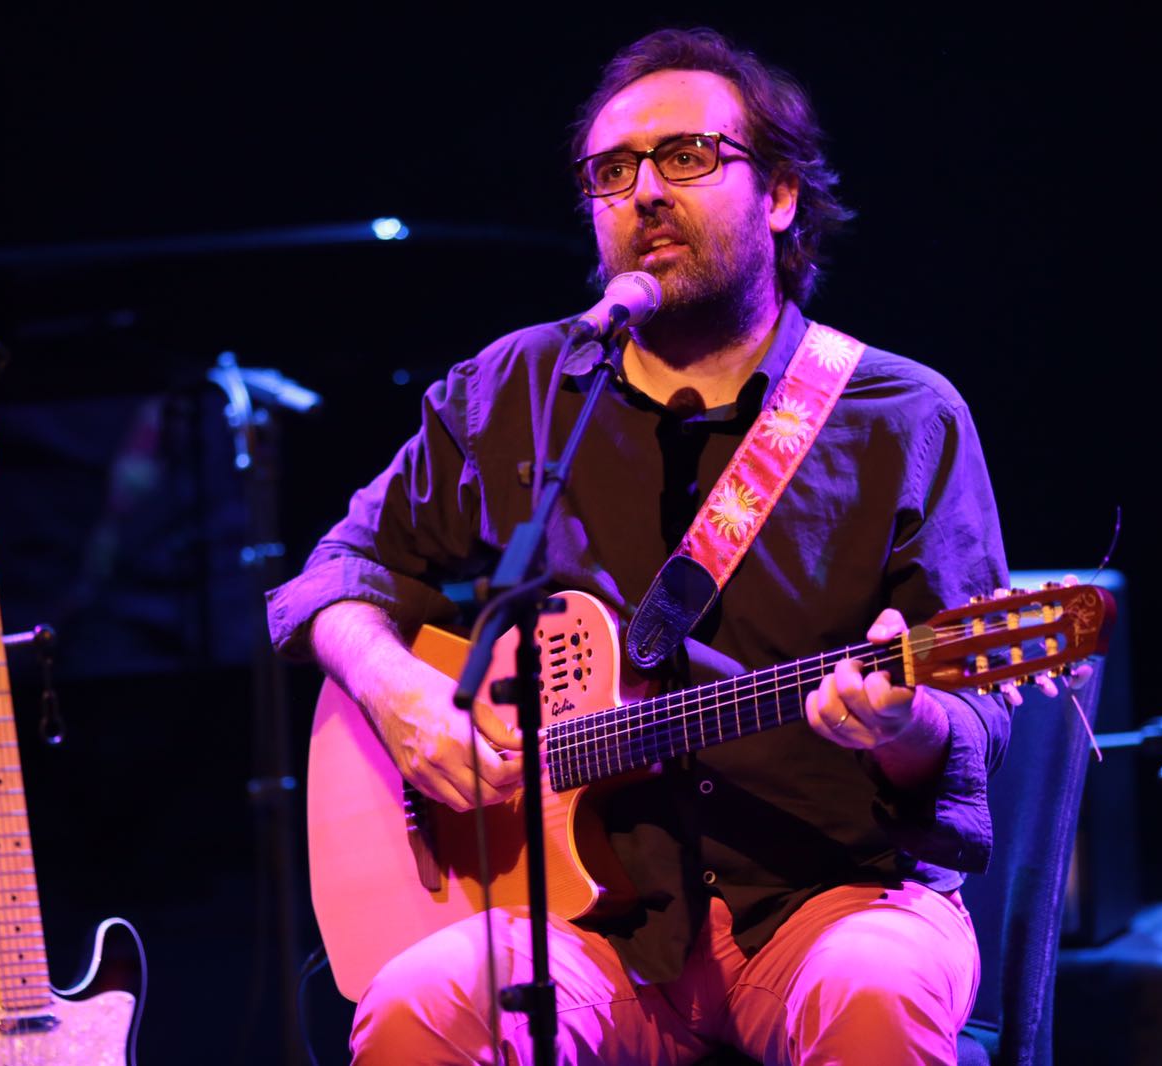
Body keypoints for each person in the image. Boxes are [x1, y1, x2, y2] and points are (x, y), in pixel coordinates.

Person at [267, 26, 1008, 1066]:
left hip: (827, 900)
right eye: (612, 171)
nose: (644, 191)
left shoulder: (901, 414)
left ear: (781, 196)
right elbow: (332, 577)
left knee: (874, 988)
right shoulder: (514, 391)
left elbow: (972, 716)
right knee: (412, 1006)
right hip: (585, 931)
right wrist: (400, 693)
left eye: (687, 156)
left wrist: (904, 718)